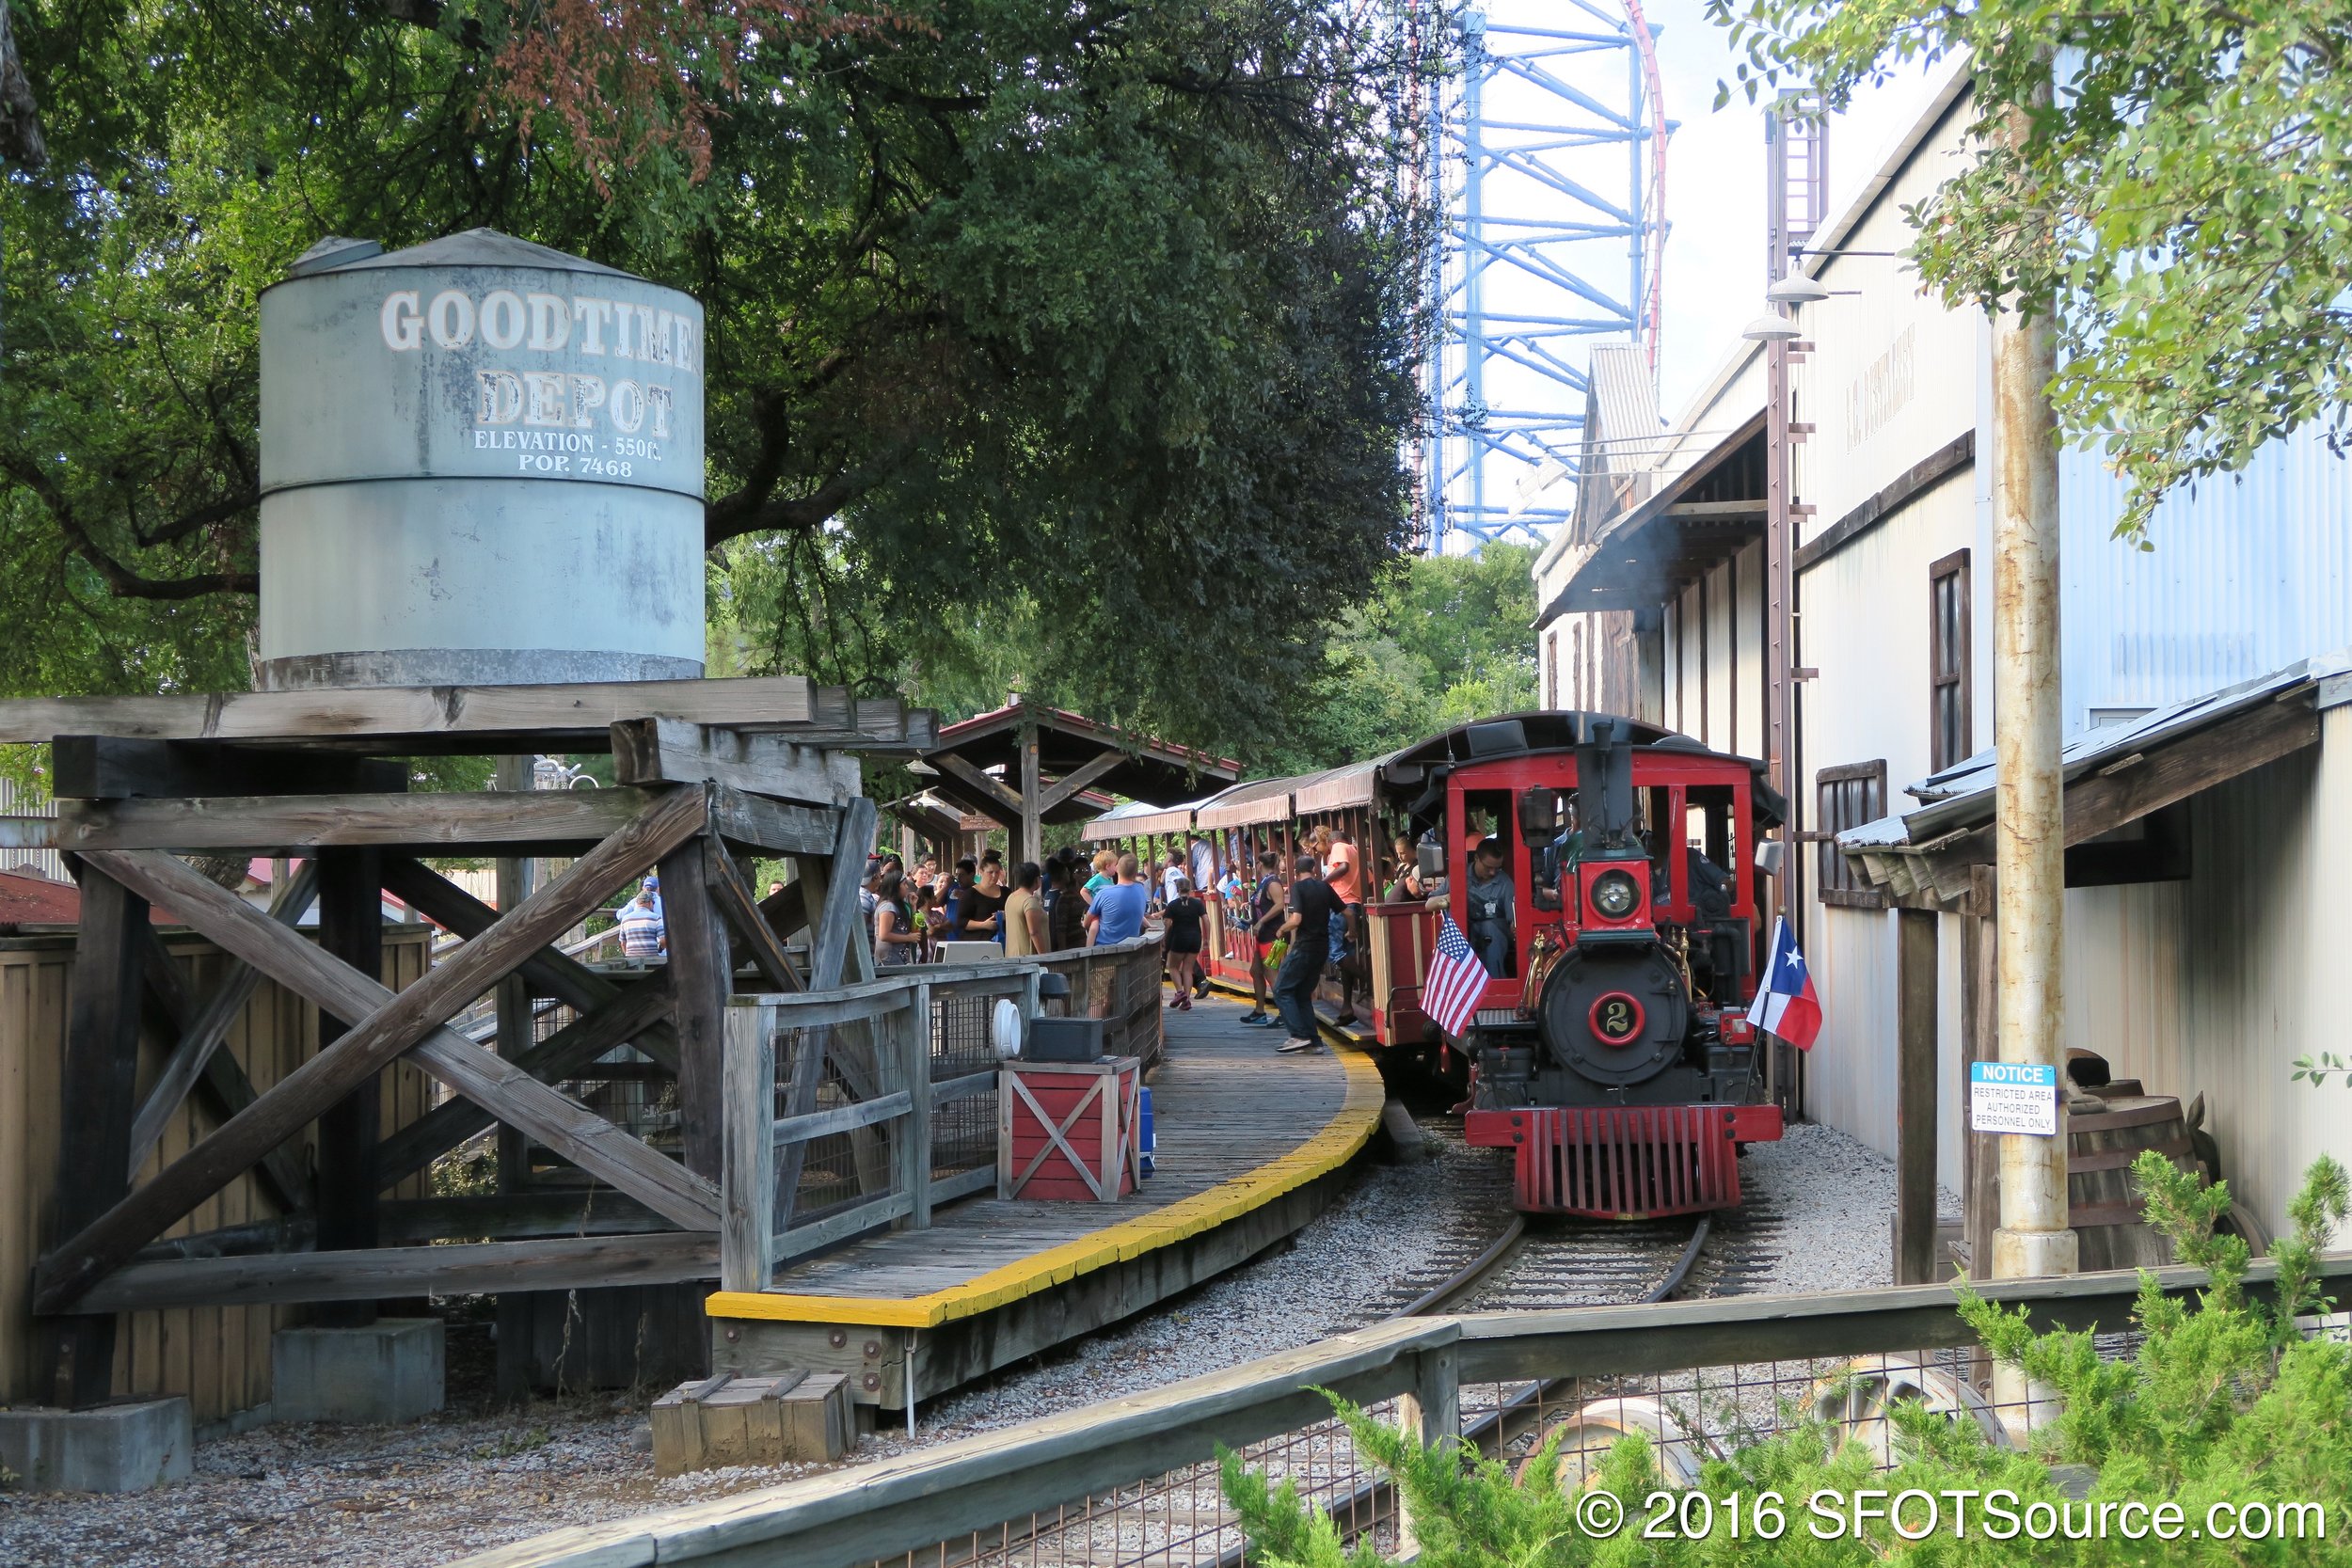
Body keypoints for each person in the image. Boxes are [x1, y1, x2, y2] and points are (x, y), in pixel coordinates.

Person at [1271, 853, 1341, 1053]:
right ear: (1314, 869)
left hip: (1305, 945)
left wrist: (1282, 929)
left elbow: (1296, 920)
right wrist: (1352, 931)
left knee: (1282, 990)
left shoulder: (1298, 888)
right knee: (1302, 994)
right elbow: (1346, 912)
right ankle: (1314, 1042)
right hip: (1322, 946)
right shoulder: (1324, 887)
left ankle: (1298, 1035)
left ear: (1296, 871)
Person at [1314, 824, 1365, 1026]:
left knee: (1334, 952)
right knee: (1347, 954)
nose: (1316, 849)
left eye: (1315, 844)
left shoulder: (1338, 847)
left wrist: (1322, 883)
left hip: (1342, 904)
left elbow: (1343, 867)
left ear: (1327, 841)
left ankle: (1367, 980)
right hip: (1353, 903)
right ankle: (1347, 1008)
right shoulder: (1354, 850)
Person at [1454, 836, 1515, 976]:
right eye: (1488, 867)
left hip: (1495, 937)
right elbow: (1431, 901)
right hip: (1465, 936)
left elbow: (1512, 921)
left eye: (1497, 868)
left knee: (1489, 928)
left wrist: (1514, 926)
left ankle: (1494, 983)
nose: (1493, 872)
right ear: (1476, 858)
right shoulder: (1459, 877)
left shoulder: (1505, 883)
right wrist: (1448, 898)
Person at [1242, 850, 1286, 1026]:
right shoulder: (1264, 882)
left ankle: (1285, 1013)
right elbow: (1264, 907)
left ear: (1259, 864)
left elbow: (1280, 904)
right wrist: (1251, 921)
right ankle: (1260, 1011)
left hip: (1273, 935)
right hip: (1263, 934)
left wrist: (1261, 921)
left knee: (1272, 974)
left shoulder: (1273, 882)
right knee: (1256, 971)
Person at [1085, 853, 1152, 945]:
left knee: (1095, 920)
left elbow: (1086, 923)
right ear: (1135, 872)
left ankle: (1088, 952)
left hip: (1104, 950)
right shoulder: (1141, 889)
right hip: (1131, 948)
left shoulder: (1103, 894)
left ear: (1117, 869)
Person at [1161, 876, 1206, 1010]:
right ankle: (1187, 999)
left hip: (1179, 938)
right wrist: (1207, 938)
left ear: (1177, 889)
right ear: (1190, 888)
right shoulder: (1198, 904)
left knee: (1172, 966)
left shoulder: (1173, 905)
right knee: (1188, 969)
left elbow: (1168, 924)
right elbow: (1206, 920)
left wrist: (1164, 938)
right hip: (1195, 938)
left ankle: (1180, 992)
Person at [872, 870, 921, 965]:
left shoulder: (903, 906)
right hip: (888, 961)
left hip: (901, 959)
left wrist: (913, 907)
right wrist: (908, 938)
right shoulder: (888, 907)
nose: (907, 887)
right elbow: (884, 935)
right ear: (895, 887)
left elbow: (916, 933)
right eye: (904, 884)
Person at [1047, 851, 1089, 952]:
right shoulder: (1065, 898)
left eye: (1087, 869)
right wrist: (1063, 951)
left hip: (1089, 946)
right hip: (1073, 949)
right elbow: (1060, 929)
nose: (1084, 873)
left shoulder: (1092, 893)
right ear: (1072, 875)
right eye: (1079, 871)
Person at [1004, 861, 1048, 958]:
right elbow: (1034, 932)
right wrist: (1044, 956)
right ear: (1036, 879)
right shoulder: (1029, 901)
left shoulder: (1011, 897)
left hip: (1012, 957)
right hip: (1029, 960)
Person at [614, 877, 665, 958]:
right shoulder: (664, 902)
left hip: (633, 957)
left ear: (643, 888)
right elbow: (664, 940)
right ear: (658, 889)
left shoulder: (635, 901)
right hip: (659, 954)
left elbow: (619, 915)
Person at [962, 854, 1009, 943]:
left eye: (997, 872)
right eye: (990, 872)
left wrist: (1007, 915)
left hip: (1003, 942)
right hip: (978, 943)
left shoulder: (1006, 892)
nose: (994, 876)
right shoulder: (970, 894)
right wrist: (983, 925)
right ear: (981, 871)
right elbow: (961, 922)